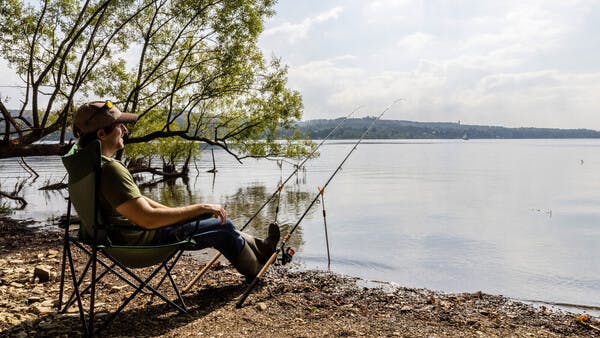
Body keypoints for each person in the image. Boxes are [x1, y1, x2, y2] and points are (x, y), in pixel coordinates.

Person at [72, 100, 279, 278]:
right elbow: (148, 219)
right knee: (223, 226)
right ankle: (258, 269)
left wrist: (186, 213)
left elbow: (140, 202)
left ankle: (263, 248)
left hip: (115, 239)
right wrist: (199, 207)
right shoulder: (110, 170)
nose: (125, 130)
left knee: (211, 217)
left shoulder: (86, 166)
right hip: (139, 243)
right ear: (101, 133)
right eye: (119, 126)